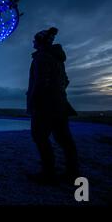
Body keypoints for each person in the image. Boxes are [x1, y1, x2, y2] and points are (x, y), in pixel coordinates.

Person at [26, 27, 79, 184]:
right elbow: (65, 80)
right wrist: (59, 93)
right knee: (64, 139)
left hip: (45, 105)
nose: (33, 42)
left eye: (35, 40)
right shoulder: (56, 58)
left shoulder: (42, 58)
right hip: (60, 104)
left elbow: (41, 82)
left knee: (39, 136)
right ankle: (72, 172)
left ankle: (48, 173)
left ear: (41, 42)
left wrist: (35, 100)